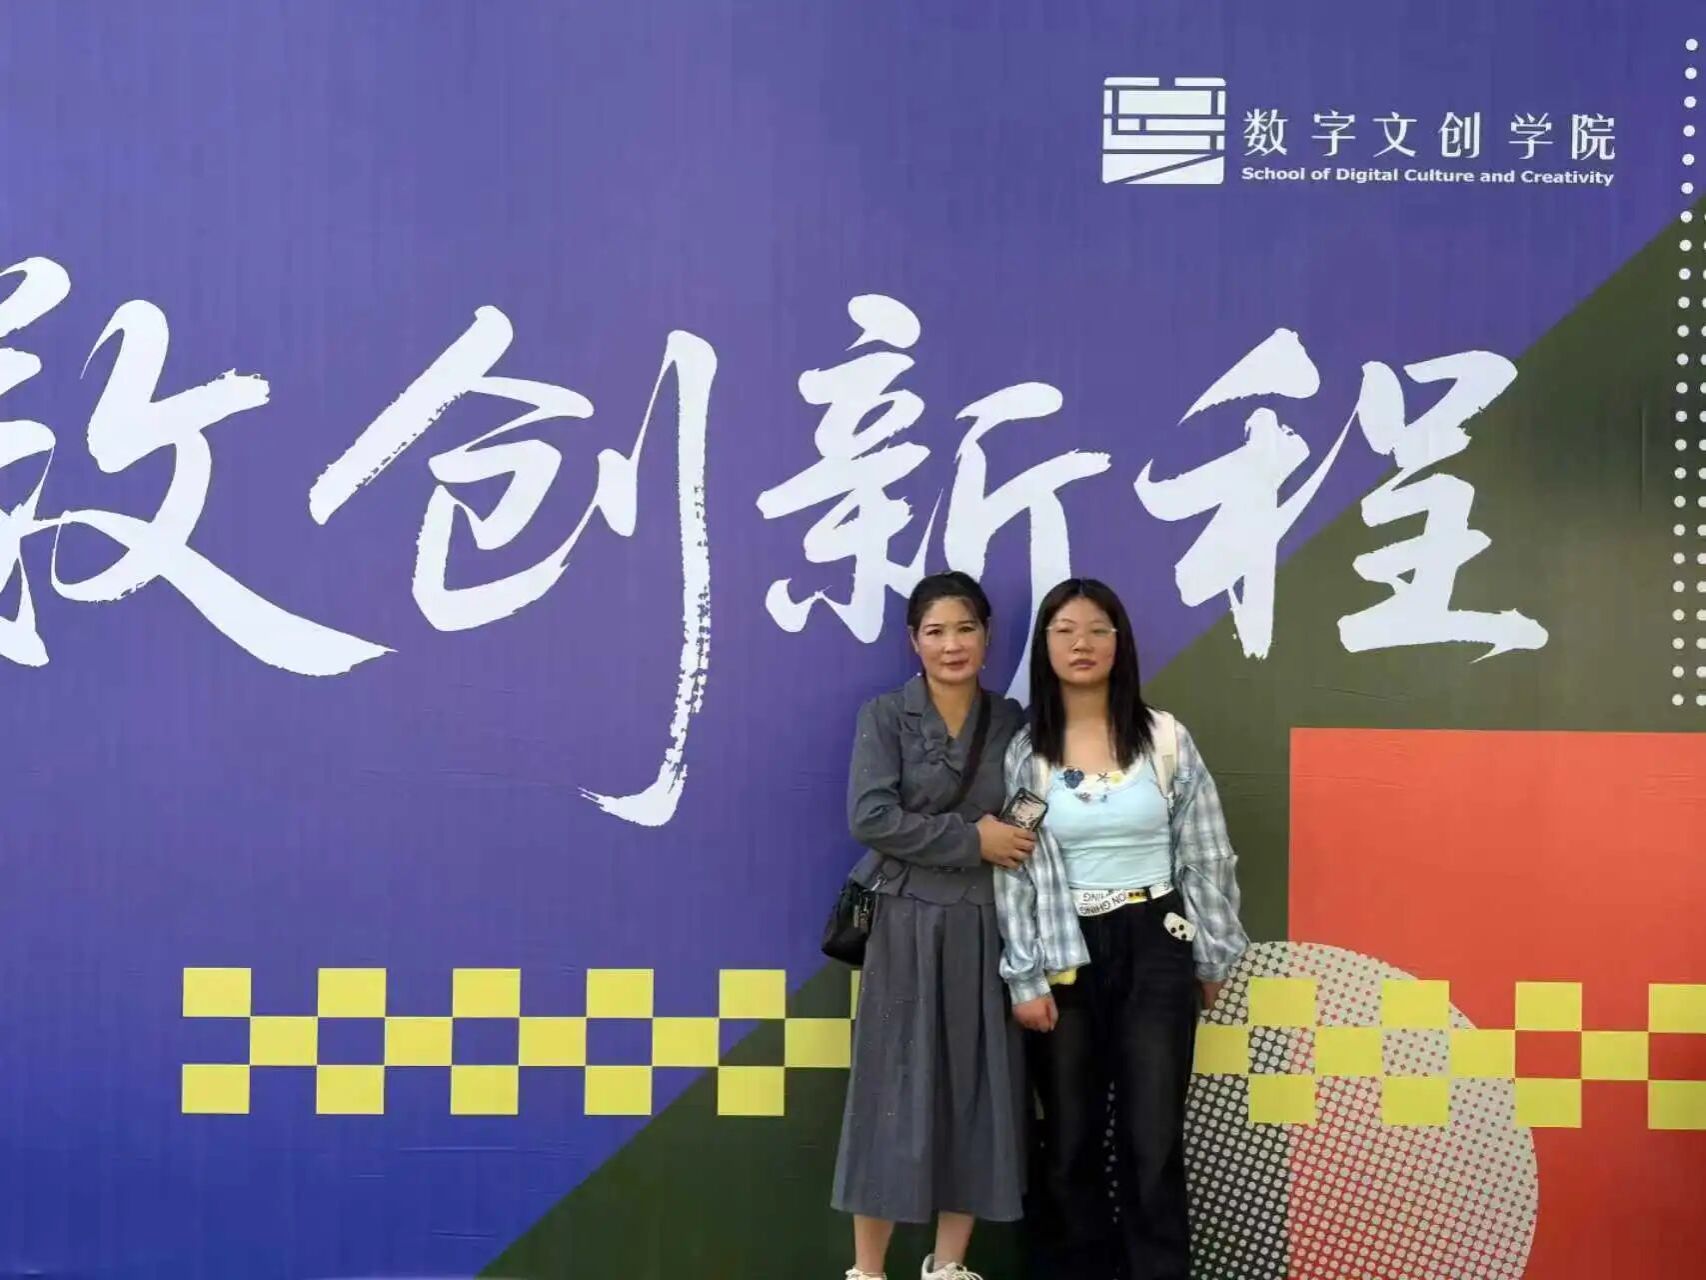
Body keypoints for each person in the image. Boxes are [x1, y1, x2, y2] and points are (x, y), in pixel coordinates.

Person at [994, 577, 1250, 1280]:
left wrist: (1211, 956)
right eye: (1065, 630)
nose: (1082, 644)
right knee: (1068, 1138)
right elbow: (1013, 869)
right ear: (1045, 647)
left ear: (1120, 642)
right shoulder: (1027, 753)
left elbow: (1207, 852)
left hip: (1155, 942)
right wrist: (1025, 976)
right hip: (1064, 949)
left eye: (1098, 630)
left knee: (1152, 1138)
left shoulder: (1165, 739)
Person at [833, 571, 1038, 1280]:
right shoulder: (886, 715)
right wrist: (972, 840)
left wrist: (1009, 838)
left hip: (987, 923)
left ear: (987, 636)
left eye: (965, 629)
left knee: (976, 1088)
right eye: (936, 631)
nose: (952, 645)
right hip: (905, 921)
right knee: (891, 1087)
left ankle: (947, 1265)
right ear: (913, 642)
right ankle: (867, 1271)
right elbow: (871, 817)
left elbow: (1032, 806)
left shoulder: (1012, 721)